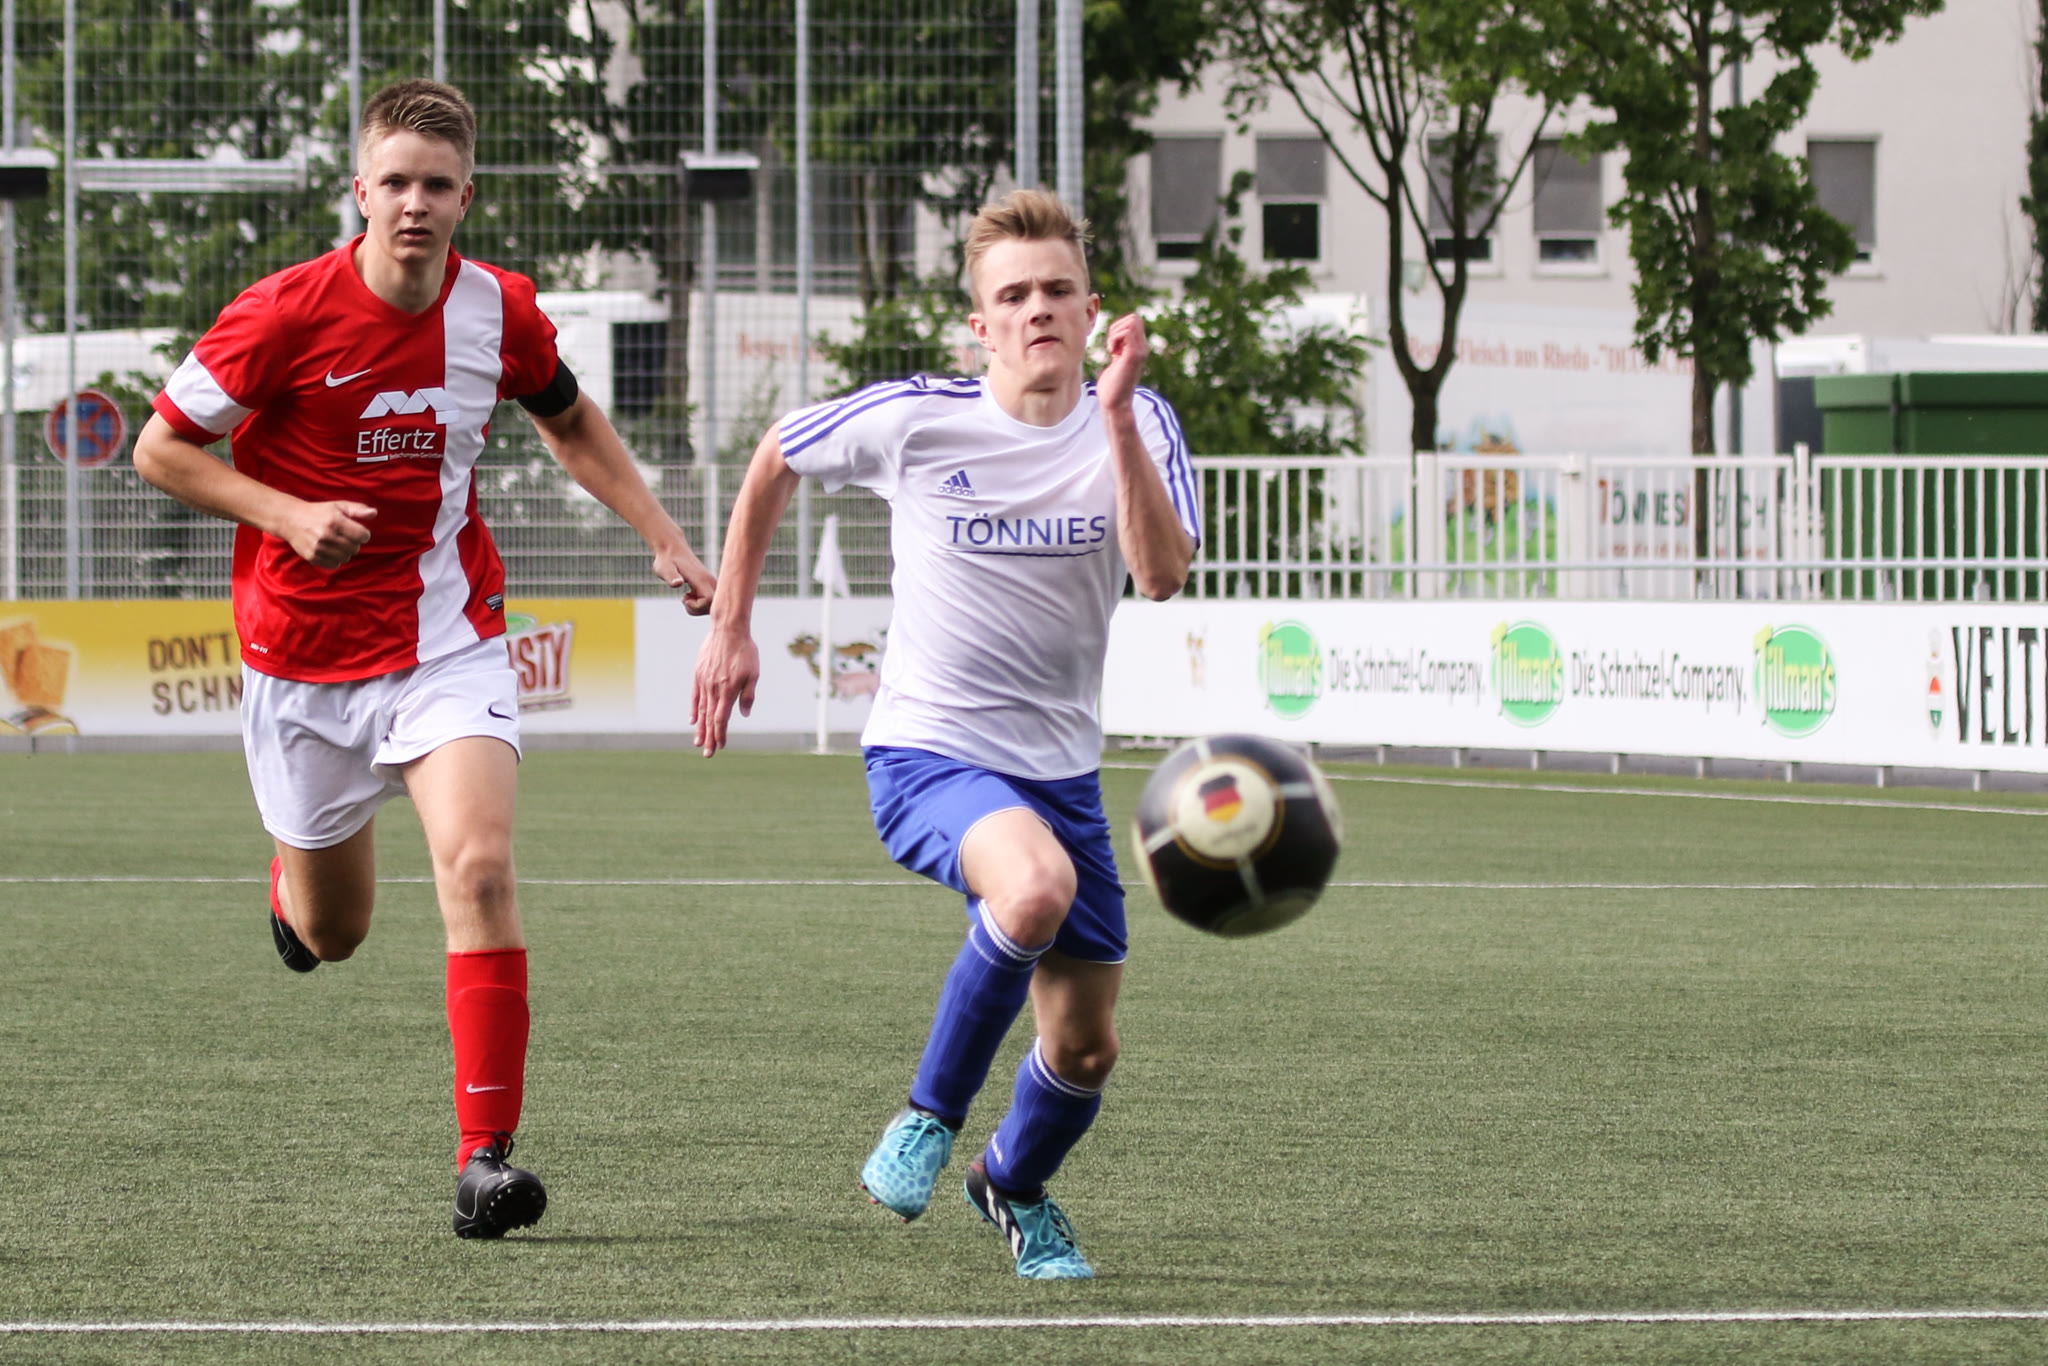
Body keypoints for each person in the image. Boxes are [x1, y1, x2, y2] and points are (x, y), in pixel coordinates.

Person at [134, 78, 716, 1239]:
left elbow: (569, 419)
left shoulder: (498, 311)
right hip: (300, 661)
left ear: (465, 198)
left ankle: (482, 1160)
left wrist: (663, 535)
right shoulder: (280, 313)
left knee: (481, 869)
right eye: (394, 182)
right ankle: (292, 890)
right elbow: (162, 448)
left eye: (435, 185)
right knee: (334, 934)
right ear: (360, 191)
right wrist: (287, 512)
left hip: (449, 642)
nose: (414, 203)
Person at [691, 189, 1199, 1279]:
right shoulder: (916, 419)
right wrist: (730, 625)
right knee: (1032, 889)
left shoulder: (1141, 420)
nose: (1036, 309)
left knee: (1085, 1048)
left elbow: (1160, 575)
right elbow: (775, 454)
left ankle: (1009, 1181)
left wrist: (1114, 418)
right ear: (980, 326)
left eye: (1057, 290)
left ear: (1091, 308)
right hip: (928, 754)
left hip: (1062, 778)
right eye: (1012, 296)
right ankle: (926, 1118)